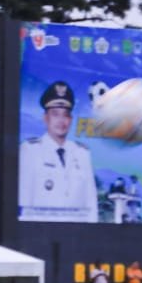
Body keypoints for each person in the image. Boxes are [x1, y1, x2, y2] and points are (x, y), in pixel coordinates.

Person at [18, 81, 98, 223]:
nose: (61, 120)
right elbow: (23, 204)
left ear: (71, 119)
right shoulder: (29, 151)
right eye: (55, 114)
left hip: (77, 237)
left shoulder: (82, 153)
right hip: (41, 236)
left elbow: (91, 205)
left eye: (65, 115)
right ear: (45, 118)